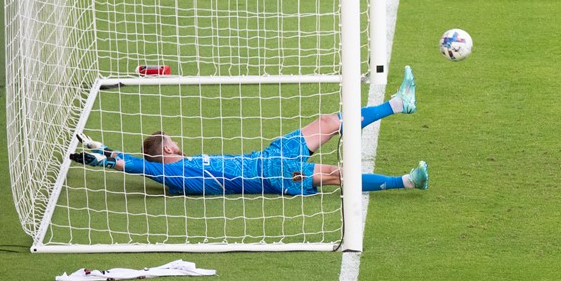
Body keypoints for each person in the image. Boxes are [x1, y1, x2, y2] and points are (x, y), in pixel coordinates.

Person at [70, 68, 428, 195]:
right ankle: (408, 182)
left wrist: (104, 148)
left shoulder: (181, 163)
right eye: (172, 144)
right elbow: (139, 166)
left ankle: (398, 104)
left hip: (265, 156)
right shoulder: (174, 173)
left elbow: (134, 159)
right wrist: (104, 163)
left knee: (327, 122)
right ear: (164, 152)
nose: (177, 145)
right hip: (273, 176)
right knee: (337, 175)